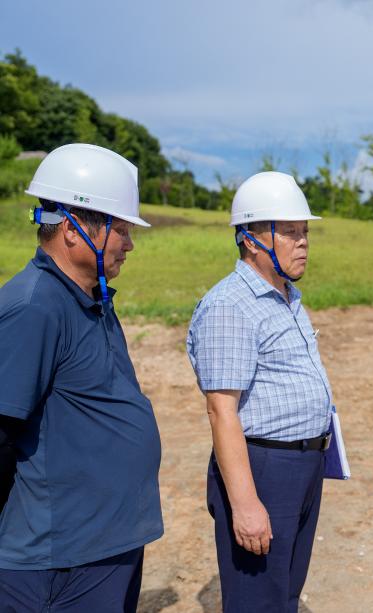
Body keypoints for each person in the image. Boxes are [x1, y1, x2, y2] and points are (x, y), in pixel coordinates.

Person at [0, 143, 163, 611]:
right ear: (73, 230)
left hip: (105, 544)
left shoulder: (91, 295)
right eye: (122, 229)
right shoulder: (35, 307)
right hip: (59, 561)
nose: (130, 244)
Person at [187, 171, 334, 613]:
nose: (303, 242)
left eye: (305, 232)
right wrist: (246, 504)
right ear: (251, 239)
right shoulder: (230, 306)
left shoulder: (287, 296)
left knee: (284, 593)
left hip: (303, 464)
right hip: (264, 468)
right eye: (290, 232)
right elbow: (221, 412)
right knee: (257, 600)